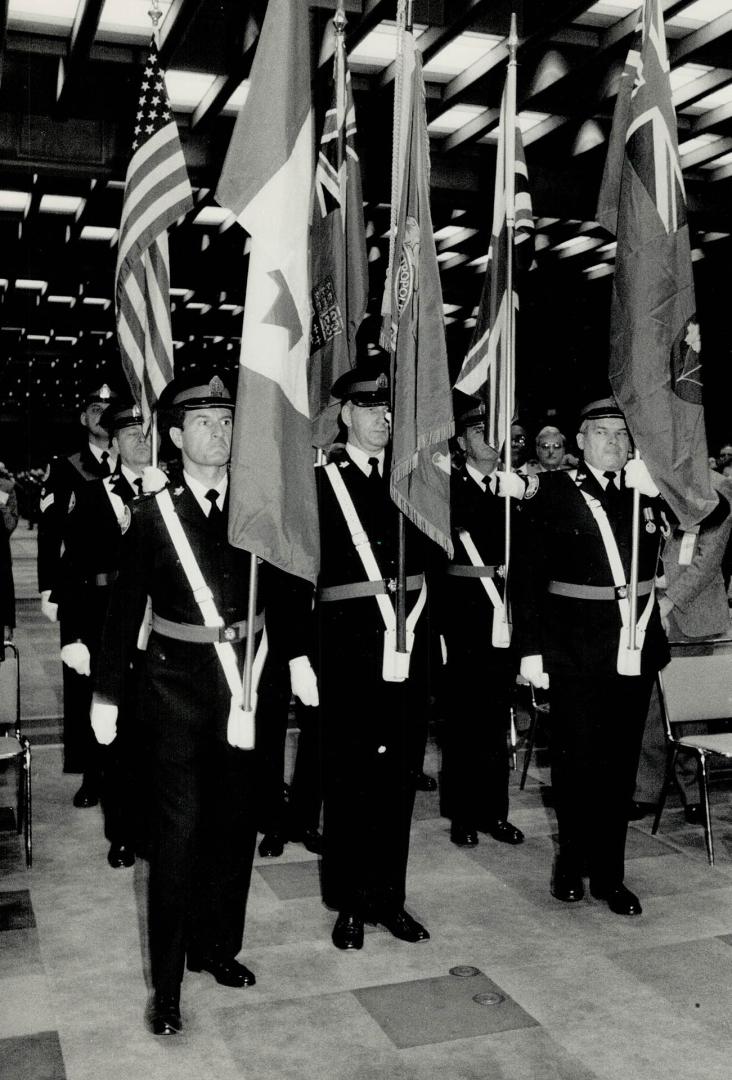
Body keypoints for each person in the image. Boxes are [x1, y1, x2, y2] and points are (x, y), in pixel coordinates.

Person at [91, 370, 299, 1036]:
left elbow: (283, 594)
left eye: (229, 420)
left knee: (234, 830)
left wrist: (298, 661)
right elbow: (123, 610)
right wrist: (106, 692)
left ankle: (218, 949)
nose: (222, 431)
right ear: (175, 435)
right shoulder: (156, 514)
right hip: (175, 693)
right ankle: (170, 984)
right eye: (206, 421)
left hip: (248, 687)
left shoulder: (255, 503)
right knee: (177, 841)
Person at [289, 361, 433, 951]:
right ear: (345, 413)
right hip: (345, 651)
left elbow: (434, 567)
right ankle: (350, 903)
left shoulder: (412, 479)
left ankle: (389, 898)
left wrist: (438, 636)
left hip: (410, 645)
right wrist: (299, 653)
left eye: (389, 408)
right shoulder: (318, 481)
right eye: (371, 408)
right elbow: (295, 572)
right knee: (349, 783)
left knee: (399, 780)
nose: (383, 418)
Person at [513, 396, 669, 917]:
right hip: (576, 649)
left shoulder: (647, 491)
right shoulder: (553, 492)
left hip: (633, 647)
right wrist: (531, 648)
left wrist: (665, 485)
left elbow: (714, 511)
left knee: (620, 767)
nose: (615, 443)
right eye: (602, 433)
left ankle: (610, 874)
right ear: (580, 442)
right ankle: (570, 863)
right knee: (577, 763)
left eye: (622, 434)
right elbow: (529, 576)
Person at [58, 398, 156, 868]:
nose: (140, 438)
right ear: (113, 442)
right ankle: (122, 832)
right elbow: (73, 569)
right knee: (116, 739)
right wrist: (73, 636)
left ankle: (157, 827)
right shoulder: (95, 495)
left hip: (162, 635)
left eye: (146, 431)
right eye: (130, 433)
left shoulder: (170, 494)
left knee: (157, 737)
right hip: (106, 629)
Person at [439, 393, 525, 849]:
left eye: (495, 433)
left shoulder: (516, 489)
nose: (490, 442)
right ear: (460, 441)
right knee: (463, 719)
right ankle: (462, 813)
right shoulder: (446, 488)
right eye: (478, 432)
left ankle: (495, 811)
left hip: (505, 615)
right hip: (464, 616)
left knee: (498, 717)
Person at [631, 468, 732, 822]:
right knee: (649, 707)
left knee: (690, 712)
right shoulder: (645, 476)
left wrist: (669, 601)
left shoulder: (716, 487)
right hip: (644, 606)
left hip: (691, 612)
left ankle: (692, 791)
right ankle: (645, 790)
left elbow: (707, 561)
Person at [37, 381, 119, 806]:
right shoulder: (67, 466)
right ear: (84, 418)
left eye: (111, 408)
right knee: (83, 684)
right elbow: (51, 531)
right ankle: (92, 772)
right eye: (94, 407)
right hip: (82, 591)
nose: (104, 414)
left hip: (126, 590)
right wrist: (49, 587)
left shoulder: (137, 461)